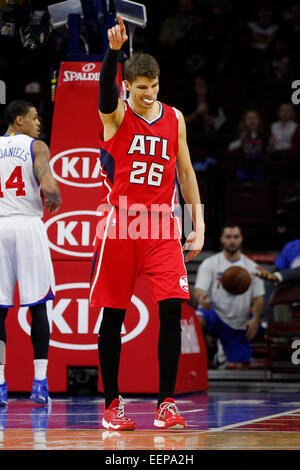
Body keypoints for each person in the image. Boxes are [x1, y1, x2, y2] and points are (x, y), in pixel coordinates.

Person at [89, 16, 205, 431]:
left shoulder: (175, 117)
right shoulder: (116, 116)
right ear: (128, 87)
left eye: (153, 87)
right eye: (141, 89)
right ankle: (113, 406)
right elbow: (105, 92)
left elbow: (186, 172)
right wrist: (113, 53)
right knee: (114, 317)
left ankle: (166, 403)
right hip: (121, 225)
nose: (148, 94)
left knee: (171, 310)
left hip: (161, 228)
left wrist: (198, 222)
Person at [0, 100, 61, 406]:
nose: (40, 123)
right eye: (36, 118)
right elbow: (47, 182)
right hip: (27, 227)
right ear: (19, 119)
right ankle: (39, 382)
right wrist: (54, 193)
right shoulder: (36, 146)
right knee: (38, 306)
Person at [193, 224, 265, 369]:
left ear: (241, 239)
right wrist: (201, 298)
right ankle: (199, 360)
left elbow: (259, 298)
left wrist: (255, 319)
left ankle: (221, 350)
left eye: (236, 237)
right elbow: (199, 290)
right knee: (196, 321)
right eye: (228, 237)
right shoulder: (210, 264)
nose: (232, 240)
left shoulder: (252, 268)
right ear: (222, 240)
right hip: (214, 315)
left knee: (241, 366)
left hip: (237, 323)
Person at [228, 109, 268, 181]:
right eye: (249, 118)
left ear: (259, 121)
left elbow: (268, 150)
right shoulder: (240, 134)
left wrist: (272, 144)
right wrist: (240, 140)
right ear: (245, 121)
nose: (252, 121)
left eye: (254, 118)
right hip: (243, 169)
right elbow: (230, 148)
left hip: (258, 170)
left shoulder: (263, 135)